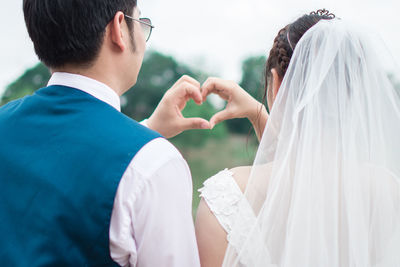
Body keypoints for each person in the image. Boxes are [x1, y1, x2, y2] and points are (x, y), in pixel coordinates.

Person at [0, 0, 237, 266]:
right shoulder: (156, 163)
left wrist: (147, 130)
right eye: (142, 23)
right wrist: (146, 144)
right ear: (119, 28)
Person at [195, 10, 400, 267]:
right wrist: (259, 115)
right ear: (356, 95)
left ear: (277, 84)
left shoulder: (227, 196)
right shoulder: (388, 190)